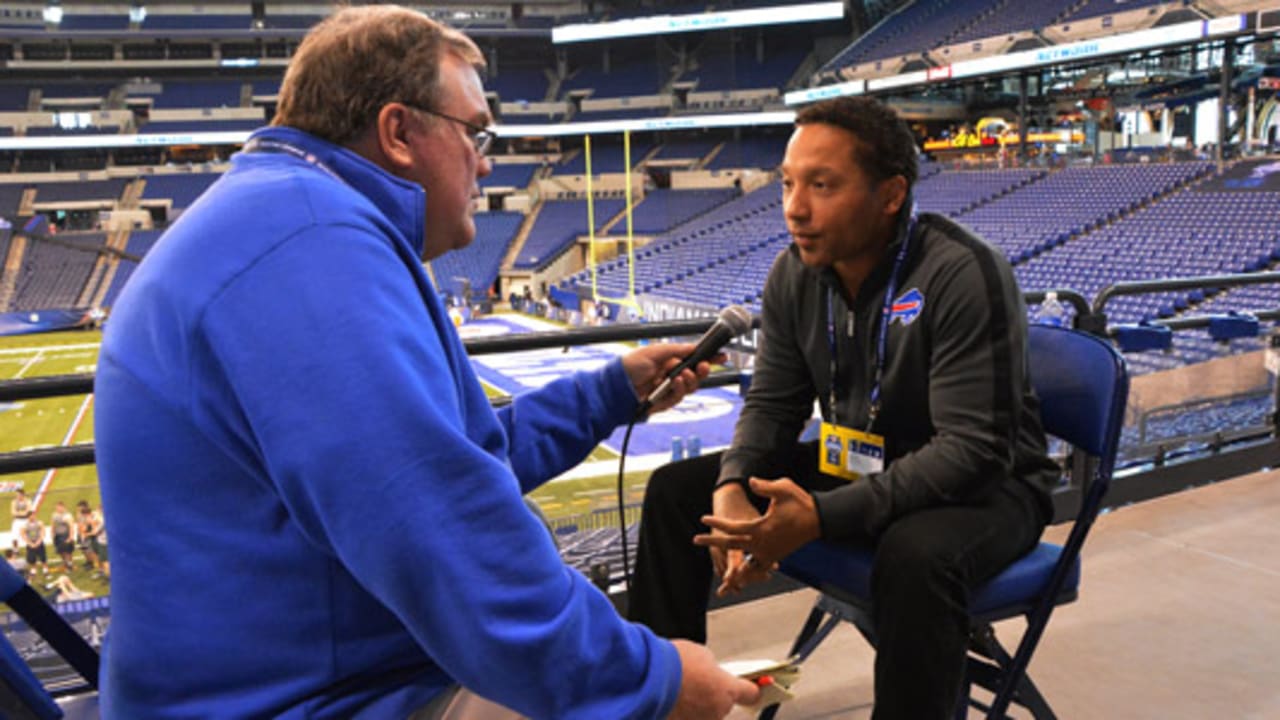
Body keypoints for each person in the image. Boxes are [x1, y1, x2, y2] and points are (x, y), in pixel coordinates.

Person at [93, 6, 757, 719]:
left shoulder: (291, 217)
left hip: (303, 677)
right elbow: (441, 527)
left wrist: (610, 392)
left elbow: (454, 460)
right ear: (399, 132)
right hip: (314, 700)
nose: (488, 160)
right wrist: (648, 681)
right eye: (476, 131)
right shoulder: (313, 244)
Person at [627, 96, 1058, 720]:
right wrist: (729, 487)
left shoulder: (962, 271)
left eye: (821, 186)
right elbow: (774, 405)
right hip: (865, 466)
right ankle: (664, 703)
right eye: (787, 185)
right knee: (676, 492)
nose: (794, 209)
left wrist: (820, 517)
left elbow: (972, 452)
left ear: (890, 195)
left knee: (916, 556)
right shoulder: (794, 274)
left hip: (990, 487)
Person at [49, 501, 77, 572]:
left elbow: (71, 527)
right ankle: (65, 563)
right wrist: (52, 533)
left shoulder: (67, 516)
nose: (58, 509)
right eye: (57, 508)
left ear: (63, 507)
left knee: (67, 552)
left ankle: (70, 566)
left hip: (65, 535)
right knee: (60, 551)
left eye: (60, 507)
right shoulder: (54, 515)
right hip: (58, 536)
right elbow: (53, 525)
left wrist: (70, 537)